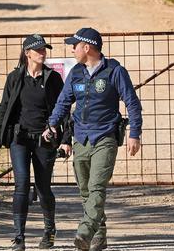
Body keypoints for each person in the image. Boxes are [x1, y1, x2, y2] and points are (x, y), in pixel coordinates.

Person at [44, 27, 142, 251]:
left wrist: (134, 133)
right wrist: (51, 123)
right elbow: (63, 102)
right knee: (85, 190)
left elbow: (132, 103)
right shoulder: (76, 73)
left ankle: (85, 232)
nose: (72, 49)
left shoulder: (115, 71)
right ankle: (100, 234)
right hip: (81, 137)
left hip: (105, 136)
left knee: (97, 187)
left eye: (75, 45)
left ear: (86, 47)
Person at [0, 34, 70, 251]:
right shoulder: (15, 78)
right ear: (27, 53)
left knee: (44, 187)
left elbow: (63, 110)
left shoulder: (52, 79)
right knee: (21, 185)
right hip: (20, 139)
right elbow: (3, 109)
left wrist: (65, 139)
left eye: (45, 50)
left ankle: (49, 231)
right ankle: (19, 237)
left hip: (45, 139)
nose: (43, 53)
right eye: (39, 50)